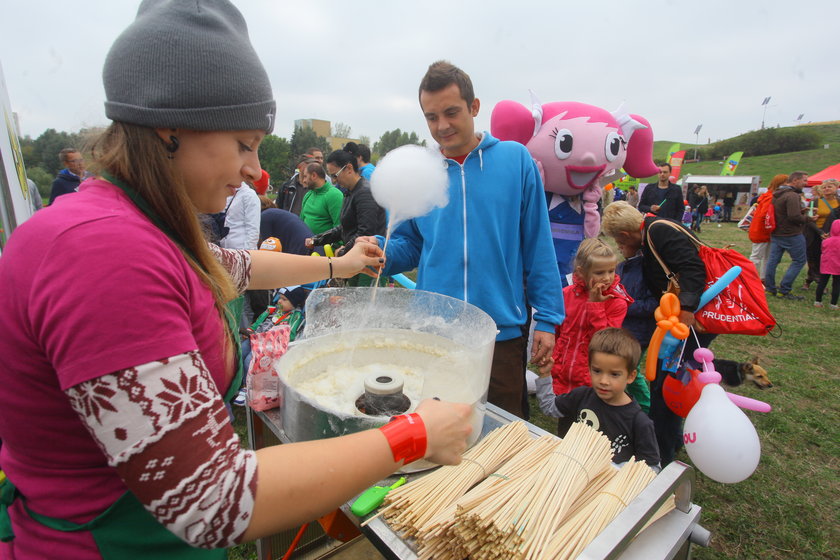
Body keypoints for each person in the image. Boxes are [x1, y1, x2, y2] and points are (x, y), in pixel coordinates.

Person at [0, 2, 471, 557]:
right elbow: (211, 499)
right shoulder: (103, 256)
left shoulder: (135, 228)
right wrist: (410, 435)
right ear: (170, 127)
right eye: (244, 144)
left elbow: (239, 266)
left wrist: (339, 265)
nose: (256, 170)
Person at [363, 60, 565, 418]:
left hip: (501, 333)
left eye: (451, 112)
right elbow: (411, 244)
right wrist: (381, 252)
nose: (441, 126)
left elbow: (538, 246)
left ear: (474, 107)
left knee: (503, 434)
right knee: (440, 430)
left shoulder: (516, 161)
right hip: (434, 332)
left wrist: (547, 319)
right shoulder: (421, 172)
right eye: (431, 116)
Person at [601, 201, 714, 465]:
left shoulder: (658, 232)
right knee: (670, 381)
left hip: (690, 320)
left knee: (666, 387)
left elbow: (693, 269)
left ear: (625, 235)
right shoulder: (652, 231)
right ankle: (671, 441)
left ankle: (661, 454)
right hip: (678, 319)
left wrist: (686, 309)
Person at [535, 327, 660, 470]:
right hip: (568, 473)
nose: (604, 381)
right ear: (589, 368)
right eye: (597, 371)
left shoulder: (639, 422)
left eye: (614, 374)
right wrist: (545, 375)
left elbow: (652, 467)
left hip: (606, 488)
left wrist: (619, 469)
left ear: (631, 376)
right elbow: (550, 407)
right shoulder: (581, 396)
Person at [550, 239, 633, 396]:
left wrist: (596, 306)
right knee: (564, 415)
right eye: (599, 272)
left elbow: (606, 342)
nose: (607, 278)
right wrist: (555, 356)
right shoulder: (567, 294)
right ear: (581, 272)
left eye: (611, 271)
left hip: (591, 377)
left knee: (587, 417)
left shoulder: (616, 302)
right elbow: (557, 329)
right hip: (563, 372)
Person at [307, 147, 387, 287]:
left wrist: (344, 250)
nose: (333, 181)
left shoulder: (365, 193)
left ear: (349, 168)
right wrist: (317, 239)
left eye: (335, 175)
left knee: (364, 304)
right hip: (358, 258)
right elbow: (344, 228)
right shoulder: (350, 192)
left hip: (370, 260)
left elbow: (366, 231)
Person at [616, 251, 658, 413]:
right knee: (626, 368)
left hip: (641, 332)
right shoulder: (623, 266)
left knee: (630, 370)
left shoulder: (649, 269)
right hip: (625, 329)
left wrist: (623, 305)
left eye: (622, 242)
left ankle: (647, 407)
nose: (620, 247)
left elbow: (652, 304)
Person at [764, 171, 810, 300]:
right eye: (804, 180)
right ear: (795, 180)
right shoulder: (792, 195)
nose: (806, 184)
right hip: (791, 233)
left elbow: (783, 213)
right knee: (799, 260)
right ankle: (784, 290)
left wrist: (800, 211)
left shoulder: (777, 194)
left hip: (777, 232)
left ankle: (770, 288)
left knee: (773, 261)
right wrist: (808, 218)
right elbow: (793, 216)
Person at [748, 175, 787, 284]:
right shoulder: (770, 197)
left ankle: (763, 278)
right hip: (762, 231)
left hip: (767, 231)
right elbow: (764, 215)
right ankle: (751, 278)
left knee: (768, 256)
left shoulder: (769, 196)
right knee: (757, 256)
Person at [299, 162, 344, 235]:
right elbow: (301, 222)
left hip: (326, 245)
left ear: (314, 175)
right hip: (307, 243)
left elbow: (340, 226)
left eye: (305, 176)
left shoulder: (334, 195)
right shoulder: (308, 195)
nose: (304, 180)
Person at [814, 220, 840, 310]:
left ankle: (818, 301)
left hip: (826, 265)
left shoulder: (826, 241)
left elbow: (823, 250)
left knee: (822, 283)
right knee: (836, 284)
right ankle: (833, 304)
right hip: (837, 266)